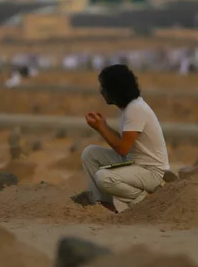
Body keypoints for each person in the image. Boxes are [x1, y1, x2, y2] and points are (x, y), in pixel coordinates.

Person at [72, 64, 169, 213]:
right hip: (134, 162)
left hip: (152, 172)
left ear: (115, 90)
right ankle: (105, 205)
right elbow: (125, 142)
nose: (101, 91)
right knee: (90, 153)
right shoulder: (128, 108)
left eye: (104, 88)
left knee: (104, 177)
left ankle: (144, 202)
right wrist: (103, 125)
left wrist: (100, 128)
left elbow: (123, 148)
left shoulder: (135, 109)